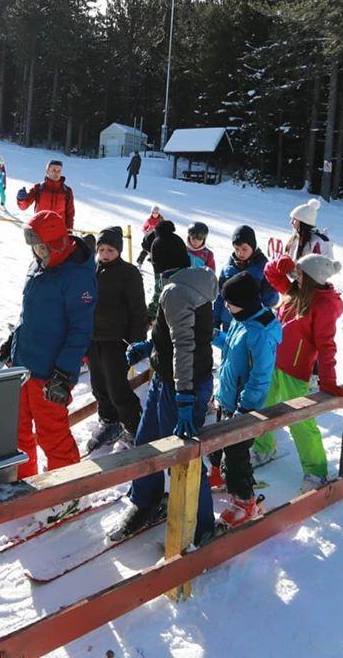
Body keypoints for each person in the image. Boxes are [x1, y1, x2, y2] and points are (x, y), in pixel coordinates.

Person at [109, 225, 217, 544]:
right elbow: (172, 334)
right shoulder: (187, 281)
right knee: (147, 441)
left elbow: (185, 345)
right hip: (166, 379)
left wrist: (184, 398)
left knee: (184, 454)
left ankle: (202, 525)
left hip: (183, 384)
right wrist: (150, 348)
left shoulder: (174, 290)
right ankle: (146, 500)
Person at [5, 210, 95, 498]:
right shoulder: (39, 266)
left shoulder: (77, 277)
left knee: (51, 434)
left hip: (50, 373)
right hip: (24, 366)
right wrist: (12, 343)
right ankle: (23, 480)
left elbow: (80, 331)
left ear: (58, 244)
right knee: (16, 430)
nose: (37, 252)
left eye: (42, 247)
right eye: (35, 247)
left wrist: (63, 374)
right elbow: (29, 314)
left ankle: (66, 493)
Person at [252, 254, 343, 491]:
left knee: (300, 421)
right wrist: (282, 262)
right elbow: (271, 274)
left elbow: (326, 346)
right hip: (274, 362)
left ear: (312, 278)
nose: (295, 276)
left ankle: (316, 472)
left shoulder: (323, 306)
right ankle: (264, 449)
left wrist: (328, 380)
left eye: (300, 273)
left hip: (296, 372)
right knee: (265, 408)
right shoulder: (296, 291)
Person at [207, 272, 282, 526]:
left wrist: (245, 407)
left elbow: (261, 375)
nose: (226, 307)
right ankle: (217, 474)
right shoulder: (243, 318)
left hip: (244, 405)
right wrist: (215, 336)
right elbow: (233, 347)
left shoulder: (259, 332)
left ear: (246, 302)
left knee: (236, 454)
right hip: (228, 396)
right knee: (217, 441)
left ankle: (246, 501)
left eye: (231, 302)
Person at [85, 227, 147, 452]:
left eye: (110, 250)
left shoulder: (128, 273)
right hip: (94, 338)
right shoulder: (91, 270)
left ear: (119, 250)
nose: (105, 254)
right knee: (98, 384)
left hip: (116, 339)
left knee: (116, 386)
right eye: (101, 249)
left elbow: (138, 309)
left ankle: (133, 426)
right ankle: (109, 421)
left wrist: (137, 342)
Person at [213, 225, 278, 332]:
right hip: (228, 321)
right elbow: (220, 297)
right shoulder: (228, 269)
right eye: (237, 249)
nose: (240, 253)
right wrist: (215, 320)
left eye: (244, 249)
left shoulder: (262, 268)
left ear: (253, 246)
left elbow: (271, 299)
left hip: (251, 323)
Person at [16, 160, 75, 230]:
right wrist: (21, 199)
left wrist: (69, 231)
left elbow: (70, 214)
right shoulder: (39, 188)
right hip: (40, 229)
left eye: (59, 171)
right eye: (53, 170)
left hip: (58, 230)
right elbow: (23, 206)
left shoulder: (67, 191)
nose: (56, 173)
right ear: (47, 171)